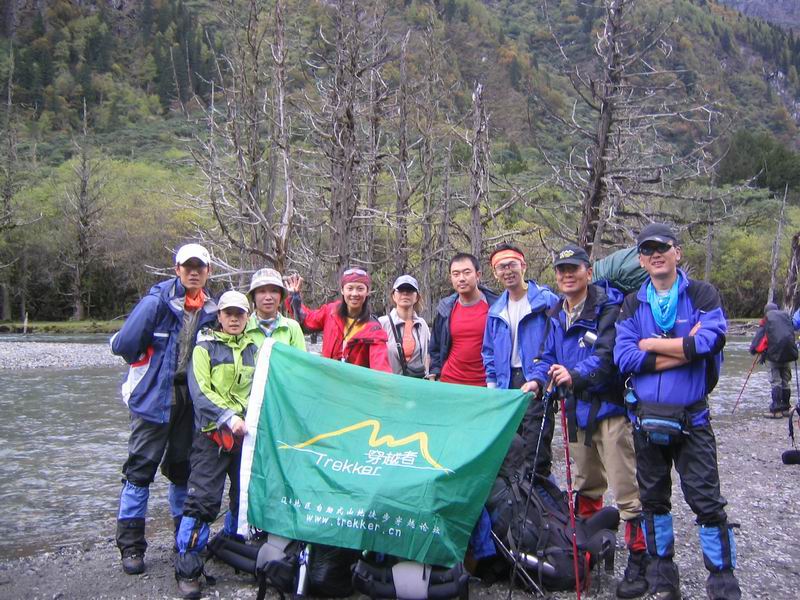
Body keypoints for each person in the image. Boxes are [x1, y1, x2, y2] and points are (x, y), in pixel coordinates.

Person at [614, 223, 741, 600]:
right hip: (646, 421)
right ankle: (662, 578)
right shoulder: (633, 303)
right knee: (653, 504)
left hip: (692, 420)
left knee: (707, 503)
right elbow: (624, 357)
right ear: (641, 260)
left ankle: (722, 581)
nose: (655, 254)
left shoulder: (701, 294)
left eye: (662, 247)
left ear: (677, 253)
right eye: (647, 250)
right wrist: (684, 349)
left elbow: (711, 340)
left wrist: (650, 344)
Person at [533, 244, 647, 598]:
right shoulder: (556, 312)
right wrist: (536, 380)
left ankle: (640, 560)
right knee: (586, 484)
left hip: (609, 410)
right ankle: (586, 550)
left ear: (588, 271)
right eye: (561, 270)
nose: (567, 275)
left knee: (627, 488)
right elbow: (546, 356)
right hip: (575, 410)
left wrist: (574, 375)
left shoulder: (609, 308)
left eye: (574, 268)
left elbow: (607, 357)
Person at [111, 243, 218, 575]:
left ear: (208, 272)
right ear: (177, 270)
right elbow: (124, 346)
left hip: (188, 401)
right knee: (139, 471)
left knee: (182, 470)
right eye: (188, 266)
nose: (194, 272)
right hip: (152, 398)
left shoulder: (212, 310)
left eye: (199, 267)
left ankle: (181, 538)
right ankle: (131, 546)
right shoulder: (155, 302)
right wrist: (149, 369)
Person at [174, 291, 258, 598]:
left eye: (240, 314)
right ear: (219, 316)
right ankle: (188, 566)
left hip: (245, 437)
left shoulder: (256, 349)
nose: (234, 319)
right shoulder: (204, 348)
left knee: (243, 497)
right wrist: (229, 418)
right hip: (212, 437)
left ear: (247, 317)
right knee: (202, 500)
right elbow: (200, 394)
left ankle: (233, 550)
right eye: (228, 314)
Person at [481, 244, 558, 478]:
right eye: (501, 267)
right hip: (506, 382)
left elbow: (557, 342)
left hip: (536, 377)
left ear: (523, 266)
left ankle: (541, 494)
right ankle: (517, 495)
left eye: (511, 265)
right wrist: (493, 386)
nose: (507, 271)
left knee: (536, 449)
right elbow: (489, 351)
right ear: (495, 273)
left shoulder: (545, 301)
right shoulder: (496, 310)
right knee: (510, 448)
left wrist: (545, 379)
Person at [286, 267, 391, 371]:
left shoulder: (373, 330)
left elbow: (381, 369)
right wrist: (294, 297)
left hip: (353, 382)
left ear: (367, 291)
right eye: (350, 288)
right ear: (342, 290)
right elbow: (306, 321)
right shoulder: (331, 312)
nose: (354, 294)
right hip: (327, 378)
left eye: (360, 289)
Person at [429, 253, 499, 385]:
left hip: (486, 385)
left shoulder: (496, 307)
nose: (461, 278)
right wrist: (435, 373)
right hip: (449, 382)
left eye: (467, 273)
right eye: (456, 274)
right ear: (451, 278)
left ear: (478, 275)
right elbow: (435, 347)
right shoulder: (446, 309)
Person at [750, 302, 797, 416]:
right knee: (785, 381)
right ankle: (786, 408)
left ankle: (776, 410)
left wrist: (753, 350)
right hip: (788, 354)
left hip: (773, 356)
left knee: (776, 381)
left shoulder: (767, 319)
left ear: (766, 311)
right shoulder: (785, 318)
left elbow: (759, 338)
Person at [378, 274, 430, 377]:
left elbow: (429, 354)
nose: (405, 293)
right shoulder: (382, 324)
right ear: (393, 296)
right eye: (401, 290)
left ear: (417, 297)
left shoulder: (422, 325)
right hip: (389, 383)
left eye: (410, 290)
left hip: (417, 384)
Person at [244, 268, 306, 351]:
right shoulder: (244, 327)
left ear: (281, 296)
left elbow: (299, 358)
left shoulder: (292, 328)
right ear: (253, 297)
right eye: (262, 291)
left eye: (274, 291)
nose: (268, 297)